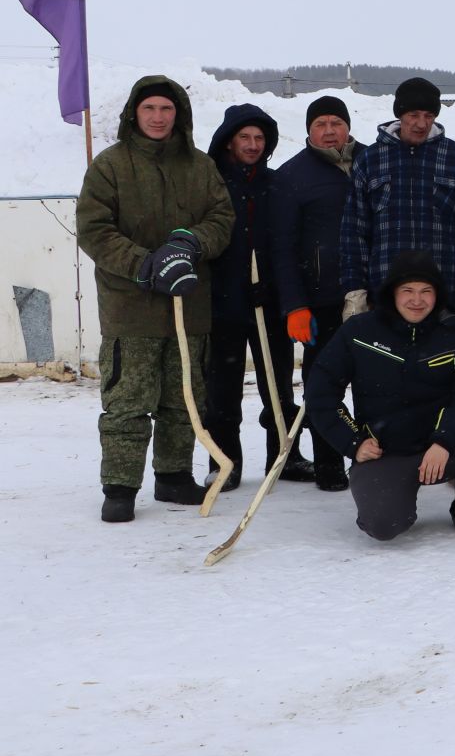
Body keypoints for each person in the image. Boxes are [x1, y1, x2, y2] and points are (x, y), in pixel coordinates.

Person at [77, 76, 235, 522]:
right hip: (131, 308)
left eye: (166, 109)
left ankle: (173, 477)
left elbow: (221, 218)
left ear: (178, 114)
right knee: (128, 402)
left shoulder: (201, 167)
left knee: (184, 400)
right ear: (135, 113)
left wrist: (189, 243)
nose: (158, 117)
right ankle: (121, 487)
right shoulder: (110, 165)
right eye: (150, 109)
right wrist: (145, 264)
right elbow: (94, 229)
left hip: (190, 306)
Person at [305, 250, 455, 540]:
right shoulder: (359, 331)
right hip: (386, 451)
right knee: (383, 526)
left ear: (437, 294)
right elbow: (320, 393)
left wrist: (445, 440)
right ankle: (394, 500)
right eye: (408, 290)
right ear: (392, 293)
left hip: (441, 447)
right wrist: (353, 441)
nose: (417, 300)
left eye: (426, 291)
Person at [203, 103, 309, 489]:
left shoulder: (276, 184)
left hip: (270, 301)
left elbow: (286, 242)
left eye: (259, 138)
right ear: (229, 141)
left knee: (278, 385)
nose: (252, 145)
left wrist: (280, 290)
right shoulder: (212, 182)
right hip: (224, 303)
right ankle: (224, 463)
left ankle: (284, 455)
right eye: (245, 137)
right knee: (222, 390)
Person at [339, 77, 455, 322]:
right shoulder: (370, 161)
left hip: (447, 295)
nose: (421, 123)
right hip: (384, 297)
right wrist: (354, 289)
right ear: (400, 115)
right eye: (413, 115)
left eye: (428, 115)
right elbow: (355, 233)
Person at [269, 94, 359, 490]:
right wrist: (295, 305)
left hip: (370, 294)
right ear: (308, 130)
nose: (328, 131)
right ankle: (329, 462)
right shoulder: (292, 175)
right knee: (325, 383)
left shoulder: (371, 162)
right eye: (320, 124)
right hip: (321, 300)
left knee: (379, 381)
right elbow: (282, 249)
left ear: (347, 127)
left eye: (335, 123)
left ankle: (377, 455)